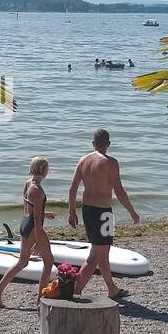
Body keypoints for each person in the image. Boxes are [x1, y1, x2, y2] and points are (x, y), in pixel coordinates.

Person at [68, 128, 139, 299]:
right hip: (104, 214)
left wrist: (72, 211)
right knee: (95, 256)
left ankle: (112, 289)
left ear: (93, 144)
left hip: (87, 210)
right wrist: (132, 212)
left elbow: (72, 188)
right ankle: (75, 292)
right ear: (108, 144)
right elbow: (119, 191)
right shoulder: (111, 163)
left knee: (103, 252)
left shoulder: (83, 160)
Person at [0, 156, 56, 308]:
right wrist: (38, 240)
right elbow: (37, 220)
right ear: (44, 170)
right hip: (34, 227)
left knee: (22, 262)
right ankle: (41, 299)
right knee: (49, 262)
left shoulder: (28, 183)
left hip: (25, 224)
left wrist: (45, 213)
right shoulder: (38, 190)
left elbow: (29, 208)